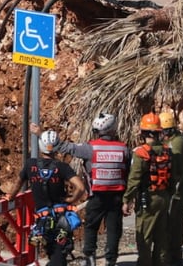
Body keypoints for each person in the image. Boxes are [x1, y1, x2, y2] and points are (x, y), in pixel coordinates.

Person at [50, 112, 130, 266]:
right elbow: (129, 174)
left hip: (97, 197)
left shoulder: (91, 148)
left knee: (91, 227)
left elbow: (65, 147)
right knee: (114, 229)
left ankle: (90, 257)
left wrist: (42, 135)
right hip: (116, 197)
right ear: (113, 129)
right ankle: (111, 260)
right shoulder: (124, 149)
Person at [15, 130, 87, 266]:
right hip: (61, 217)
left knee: (53, 251)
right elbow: (81, 187)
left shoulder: (30, 165)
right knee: (59, 252)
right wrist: (71, 200)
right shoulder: (62, 167)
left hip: (43, 219)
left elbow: (18, 183)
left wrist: (10, 196)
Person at [123, 113, 172, 266]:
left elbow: (134, 179)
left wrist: (126, 200)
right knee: (161, 236)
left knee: (144, 235)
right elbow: (174, 175)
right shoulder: (167, 150)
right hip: (164, 197)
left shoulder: (141, 153)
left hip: (148, 200)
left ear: (144, 132)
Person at [159, 110, 183, 266]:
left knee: (170, 224)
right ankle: (174, 256)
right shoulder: (177, 140)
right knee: (175, 223)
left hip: (176, 192)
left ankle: (169, 258)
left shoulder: (176, 144)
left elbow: (172, 167)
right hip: (177, 190)